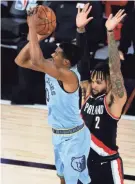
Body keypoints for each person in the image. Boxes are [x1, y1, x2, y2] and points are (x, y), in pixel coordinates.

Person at [15, 6, 93, 184]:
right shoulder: (53, 67)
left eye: (56, 54)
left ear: (66, 62)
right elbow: (20, 61)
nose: (52, 53)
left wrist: (33, 29)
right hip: (58, 134)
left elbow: (36, 60)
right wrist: (40, 36)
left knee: (76, 181)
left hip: (73, 138)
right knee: (62, 177)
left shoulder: (69, 76)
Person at [76, 5, 127, 184]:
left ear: (110, 83)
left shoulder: (114, 100)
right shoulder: (87, 94)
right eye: (93, 81)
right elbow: (83, 63)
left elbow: (115, 69)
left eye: (99, 82)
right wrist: (80, 30)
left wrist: (111, 33)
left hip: (107, 167)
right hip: (84, 165)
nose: (94, 85)